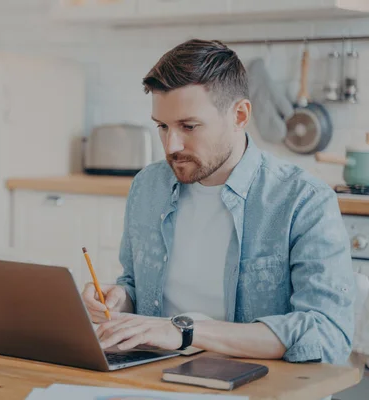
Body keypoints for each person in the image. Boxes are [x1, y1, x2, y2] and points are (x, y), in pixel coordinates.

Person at [81, 39, 356, 365]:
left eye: (189, 126)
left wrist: (186, 330)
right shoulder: (147, 186)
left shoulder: (302, 200)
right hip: (154, 375)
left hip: (252, 383)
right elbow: (137, 286)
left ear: (240, 115)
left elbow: (328, 335)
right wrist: (119, 299)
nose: (171, 146)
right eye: (162, 127)